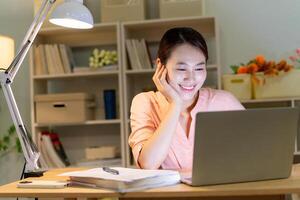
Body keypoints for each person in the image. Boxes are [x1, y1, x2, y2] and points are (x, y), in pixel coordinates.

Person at [128, 27, 244, 171]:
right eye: (182, 69)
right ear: (160, 66)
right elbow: (148, 164)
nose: (191, 78)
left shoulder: (224, 101)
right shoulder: (145, 102)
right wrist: (175, 104)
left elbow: (257, 150)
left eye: (199, 68)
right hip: (166, 194)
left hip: (220, 192)